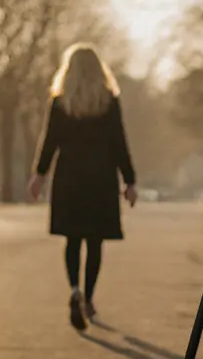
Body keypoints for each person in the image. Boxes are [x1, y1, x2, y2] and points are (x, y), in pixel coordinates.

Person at [28, 43, 138, 330]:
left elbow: (49, 142)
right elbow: (119, 143)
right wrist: (129, 180)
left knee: (72, 238)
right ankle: (88, 297)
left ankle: (74, 289)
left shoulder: (60, 102)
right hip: (100, 178)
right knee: (95, 240)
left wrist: (39, 175)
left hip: (69, 177)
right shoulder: (109, 102)